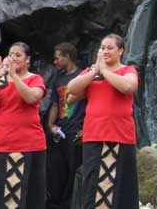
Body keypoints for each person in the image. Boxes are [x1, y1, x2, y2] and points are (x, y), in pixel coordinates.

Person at [67, 34, 139, 208]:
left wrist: (105, 71)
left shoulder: (127, 70)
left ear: (120, 51)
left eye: (110, 48)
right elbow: (71, 92)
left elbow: (129, 86)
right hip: (93, 135)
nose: (105, 51)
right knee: (92, 184)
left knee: (117, 186)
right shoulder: (92, 73)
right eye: (102, 48)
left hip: (118, 136)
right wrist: (94, 72)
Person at [0, 42, 47, 209]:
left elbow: (31, 98)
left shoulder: (35, 79)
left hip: (27, 145)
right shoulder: (0, 82)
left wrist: (14, 77)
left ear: (28, 59)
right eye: (11, 54)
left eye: (18, 55)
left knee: (24, 196)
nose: (13, 58)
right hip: (0, 144)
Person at [46, 42, 86, 209]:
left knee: (74, 168)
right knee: (56, 169)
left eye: (57, 58)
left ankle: (72, 203)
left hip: (76, 130)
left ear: (67, 57)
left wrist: (86, 128)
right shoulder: (58, 78)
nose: (55, 62)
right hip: (60, 130)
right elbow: (55, 104)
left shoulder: (82, 76)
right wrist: (50, 124)